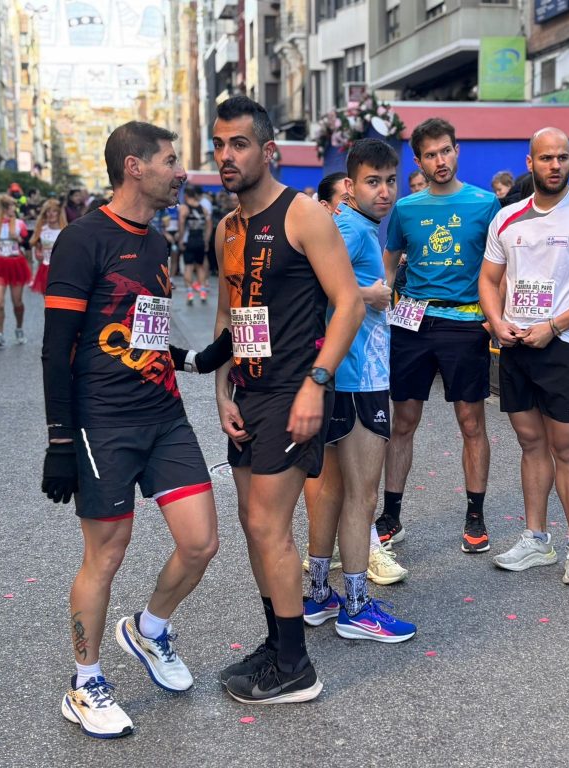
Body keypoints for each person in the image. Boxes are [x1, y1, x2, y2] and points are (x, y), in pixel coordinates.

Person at [43, 121, 228, 740]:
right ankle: (85, 681)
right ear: (134, 166)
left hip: (164, 416)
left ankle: (149, 630)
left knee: (201, 543)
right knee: (107, 552)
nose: (182, 172)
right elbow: (56, 349)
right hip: (103, 422)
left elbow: (144, 333)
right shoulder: (81, 239)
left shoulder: (156, 242)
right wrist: (59, 441)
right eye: (171, 161)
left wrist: (194, 360)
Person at [211, 96, 363, 704]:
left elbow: (349, 304)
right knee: (253, 525)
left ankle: (296, 666)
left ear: (268, 150)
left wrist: (315, 384)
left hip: (293, 389)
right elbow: (228, 313)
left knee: (267, 525)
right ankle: (277, 644)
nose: (226, 156)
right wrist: (220, 389)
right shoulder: (226, 228)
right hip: (246, 391)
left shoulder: (304, 215)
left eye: (239, 144)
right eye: (218, 145)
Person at [479, 127, 569, 584]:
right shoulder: (507, 218)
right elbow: (488, 279)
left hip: (563, 344)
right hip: (517, 342)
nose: (555, 165)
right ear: (530, 162)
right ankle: (536, 539)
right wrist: (497, 320)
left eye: (562, 157)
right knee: (530, 443)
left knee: (566, 446)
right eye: (546, 158)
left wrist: (556, 326)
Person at [302, 138, 415, 640]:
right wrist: (369, 293)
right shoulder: (348, 227)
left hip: (342, 375)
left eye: (390, 180)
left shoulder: (354, 225)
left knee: (331, 491)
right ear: (350, 185)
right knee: (362, 496)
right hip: (357, 378)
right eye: (373, 181)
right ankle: (356, 607)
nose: (384, 191)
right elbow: (311, 283)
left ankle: (319, 596)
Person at [379, 117, 501, 553]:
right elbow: (388, 263)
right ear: (419, 161)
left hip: (465, 324)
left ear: (456, 150)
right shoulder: (406, 208)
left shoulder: (485, 203)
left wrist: (494, 317)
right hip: (411, 323)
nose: (440, 160)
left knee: (471, 422)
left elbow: (500, 266)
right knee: (403, 422)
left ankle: (475, 515)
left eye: (445, 150)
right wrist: (382, 309)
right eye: (430, 154)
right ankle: (391, 516)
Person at [0, 194, 31, 346]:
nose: (14, 209)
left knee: (17, 302)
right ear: (3, 208)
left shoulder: (19, 224)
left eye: (14, 206)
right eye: (11, 206)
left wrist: (18, 239)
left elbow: (26, 242)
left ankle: (19, 328)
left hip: (15, 263)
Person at [178, 186, 211, 304]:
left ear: (186, 195)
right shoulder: (203, 209)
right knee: (200, 266)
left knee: (188, 267)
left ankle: (190, 293)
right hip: (200, 240)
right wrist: (206, 241)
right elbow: (209, 226)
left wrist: (180, 239)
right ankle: (203, 292)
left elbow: (181, 224)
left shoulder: (184, 208)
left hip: (189, 240)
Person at [29, 198, 68, 297]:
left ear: (59, 213)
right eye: (48, 211)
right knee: (47, 302)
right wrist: (38, 254)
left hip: (62, 271)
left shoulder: (66, 231)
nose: (51, 214)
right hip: (45, 269)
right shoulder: (41, 230)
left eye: (54, 211)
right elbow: (37, 249)